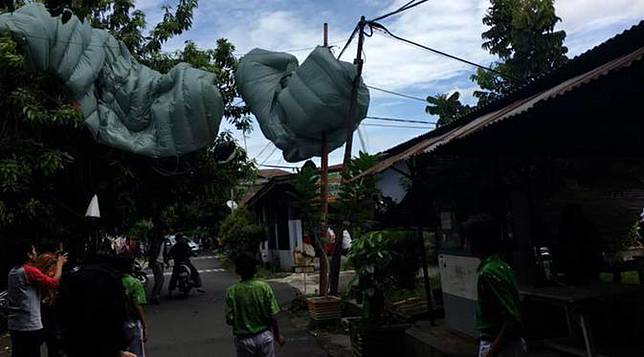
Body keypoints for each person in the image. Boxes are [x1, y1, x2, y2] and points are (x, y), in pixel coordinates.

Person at [465, 214, 526, 357]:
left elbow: (511, 320)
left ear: (475, 242)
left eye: (467, 239)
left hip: (499, 345)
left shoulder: (488, 273)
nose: (465, 244)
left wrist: (491, 353)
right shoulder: (501, 266)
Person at [57, 255, 136, 357]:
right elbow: (118, 316)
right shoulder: (112, 279)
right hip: (105, 343)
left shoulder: (71, 278)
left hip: (75, 342)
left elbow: (62, 313)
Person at [7, 240, 67, 357]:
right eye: (34, 250)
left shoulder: (12, 271)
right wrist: (60, 264)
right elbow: (54, 283)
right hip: (29, 325)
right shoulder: (29, 270)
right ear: (28, 254)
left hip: (14, 325)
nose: (36, 253)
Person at [225, 252, 285, 357]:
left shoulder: (232, 291)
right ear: (255, 269)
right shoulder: (264, 287)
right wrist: (277, 336)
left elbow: (229, 320)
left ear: (238, 271)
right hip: (264, 336)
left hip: (244, 340)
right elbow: (273, 315)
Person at [115, 256, 148, 357]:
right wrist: (145, 326)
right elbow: (137, 306)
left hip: (116, 324)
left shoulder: (113, 281)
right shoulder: (134, 283)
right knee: (135, 352)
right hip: (132, 323)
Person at [147, 229, 167, 305]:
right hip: (156, 262)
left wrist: (166, 261)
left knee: (159, 280)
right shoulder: (155, 242)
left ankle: (155, 295)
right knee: (160, 279)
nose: (163, 235)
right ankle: (155, 296)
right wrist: (151, 261)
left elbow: (164, 252)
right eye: (162, 234)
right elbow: (150, 252)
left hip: (161, 262)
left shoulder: (164, 242)